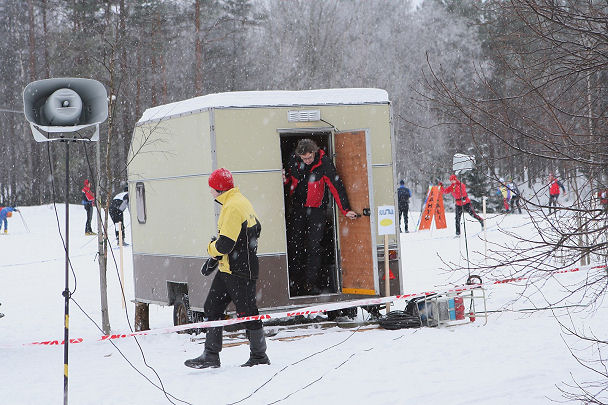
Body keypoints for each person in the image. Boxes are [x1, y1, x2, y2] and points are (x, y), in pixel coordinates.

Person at [185, 168, 269, 369]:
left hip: (240, 270)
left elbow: (225, 245)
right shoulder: (240, 200)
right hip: (228, 268)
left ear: (218, 189)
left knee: (248, 312)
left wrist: (210, 248)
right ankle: (210, 355)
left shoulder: (232, 206)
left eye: (211, 188)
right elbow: (257, 228)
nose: (210, 192)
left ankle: (259, 356)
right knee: (212, 307)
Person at [283, 139, 358, 295]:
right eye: (304, 159)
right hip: (298, 208)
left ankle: (311, 283)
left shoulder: (324, 163)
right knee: (294, 244)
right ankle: (294, 281)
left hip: (317, 210)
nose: (307, 161)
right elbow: (289, 180)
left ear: (314, 152)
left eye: (309, 158)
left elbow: (336, 186)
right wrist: (284, 180)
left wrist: (345, 209)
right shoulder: (293, 161)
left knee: (314, 246)